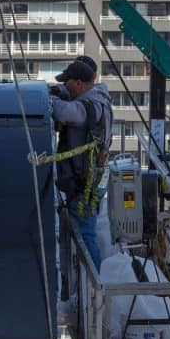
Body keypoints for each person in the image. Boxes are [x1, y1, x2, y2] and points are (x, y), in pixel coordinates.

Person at [50, 58, 112, 270]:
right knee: (83, 235)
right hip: (88, 183)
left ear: (78, 83)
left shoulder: (92, 105)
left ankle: (95, 290)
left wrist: (47, 100)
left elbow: (67, 113)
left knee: (85, 238)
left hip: (83, 186)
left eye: (67, 82)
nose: (65, 86)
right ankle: (89, 288)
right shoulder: (99, 100)